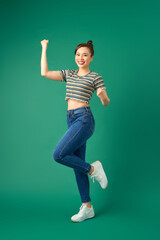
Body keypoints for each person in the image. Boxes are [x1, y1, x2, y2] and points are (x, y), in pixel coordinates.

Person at [40, 39, 110, 223]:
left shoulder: (95, 77)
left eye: (85, 55)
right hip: (71, 119)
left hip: (84, 119)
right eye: (78, 54)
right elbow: (44, 73)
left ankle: (94, 169)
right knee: (76, 164)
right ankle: (87, 207)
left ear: (91, 58)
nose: (81, 58)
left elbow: (105, 101)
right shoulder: (69, 74)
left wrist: (103, 96)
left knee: (58, 154)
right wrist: (44, 48)